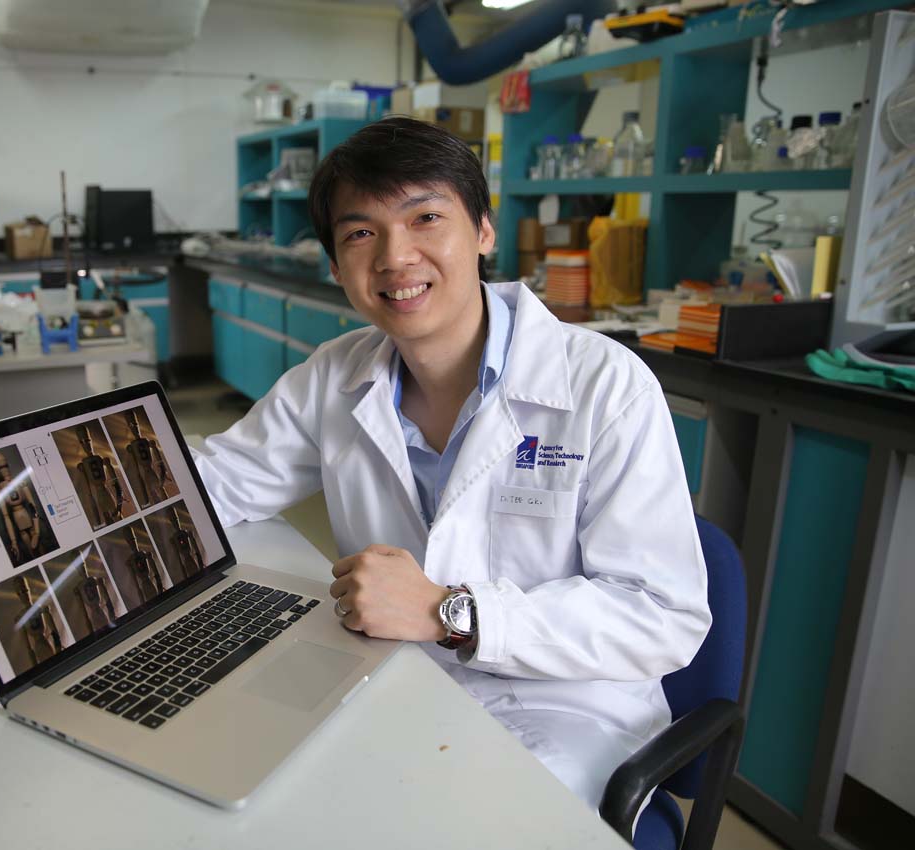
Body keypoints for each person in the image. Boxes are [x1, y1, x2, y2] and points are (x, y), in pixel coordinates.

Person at [189, 116, 710, 811]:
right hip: (393, 679)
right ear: (336, 265)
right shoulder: (335, 376)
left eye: (426, 218)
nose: (395, 257)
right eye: (360, 233)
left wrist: (452, 613)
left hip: (567, 709)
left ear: (484, 231)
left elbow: (661, 614)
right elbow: (213, 484)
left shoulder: (604, 386)